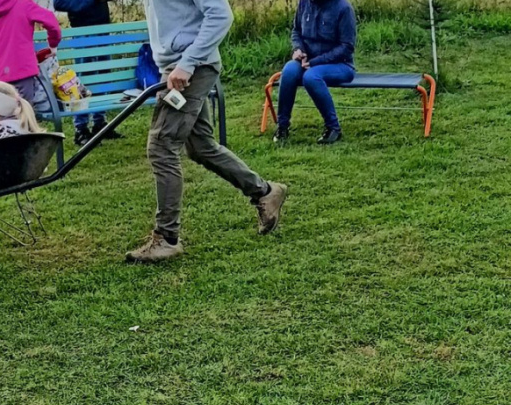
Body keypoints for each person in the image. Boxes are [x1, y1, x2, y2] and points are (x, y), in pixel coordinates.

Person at [126, 0, 288, 263]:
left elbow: (221, 15)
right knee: (200, 146)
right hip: (177, 67)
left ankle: (166, 239)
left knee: (162, 146)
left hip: (190, 68)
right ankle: (265, 192)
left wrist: (187, 62)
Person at [273, 0, 357, 145]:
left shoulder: (344, 8)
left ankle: (333, 128)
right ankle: (282, 126)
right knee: (288, 70)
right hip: (307, 60)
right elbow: (296, 31)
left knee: (311, 77)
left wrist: (315, 62)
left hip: (340, 64)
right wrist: (298, 49)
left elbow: (347, 47)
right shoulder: (304, 3)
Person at [54, 0, 123, 146]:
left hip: (103, 29)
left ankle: (100, 124)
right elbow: (59, 3)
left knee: (103, 76)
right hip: (81, 32)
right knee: (82, 81)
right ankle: (81, 129)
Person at [0, 0, 62, 104]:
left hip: (1, 72)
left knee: (6, 112)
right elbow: (50, 20)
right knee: (25, 110)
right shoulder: (23, 4)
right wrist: (53, 44)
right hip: (22, 68)